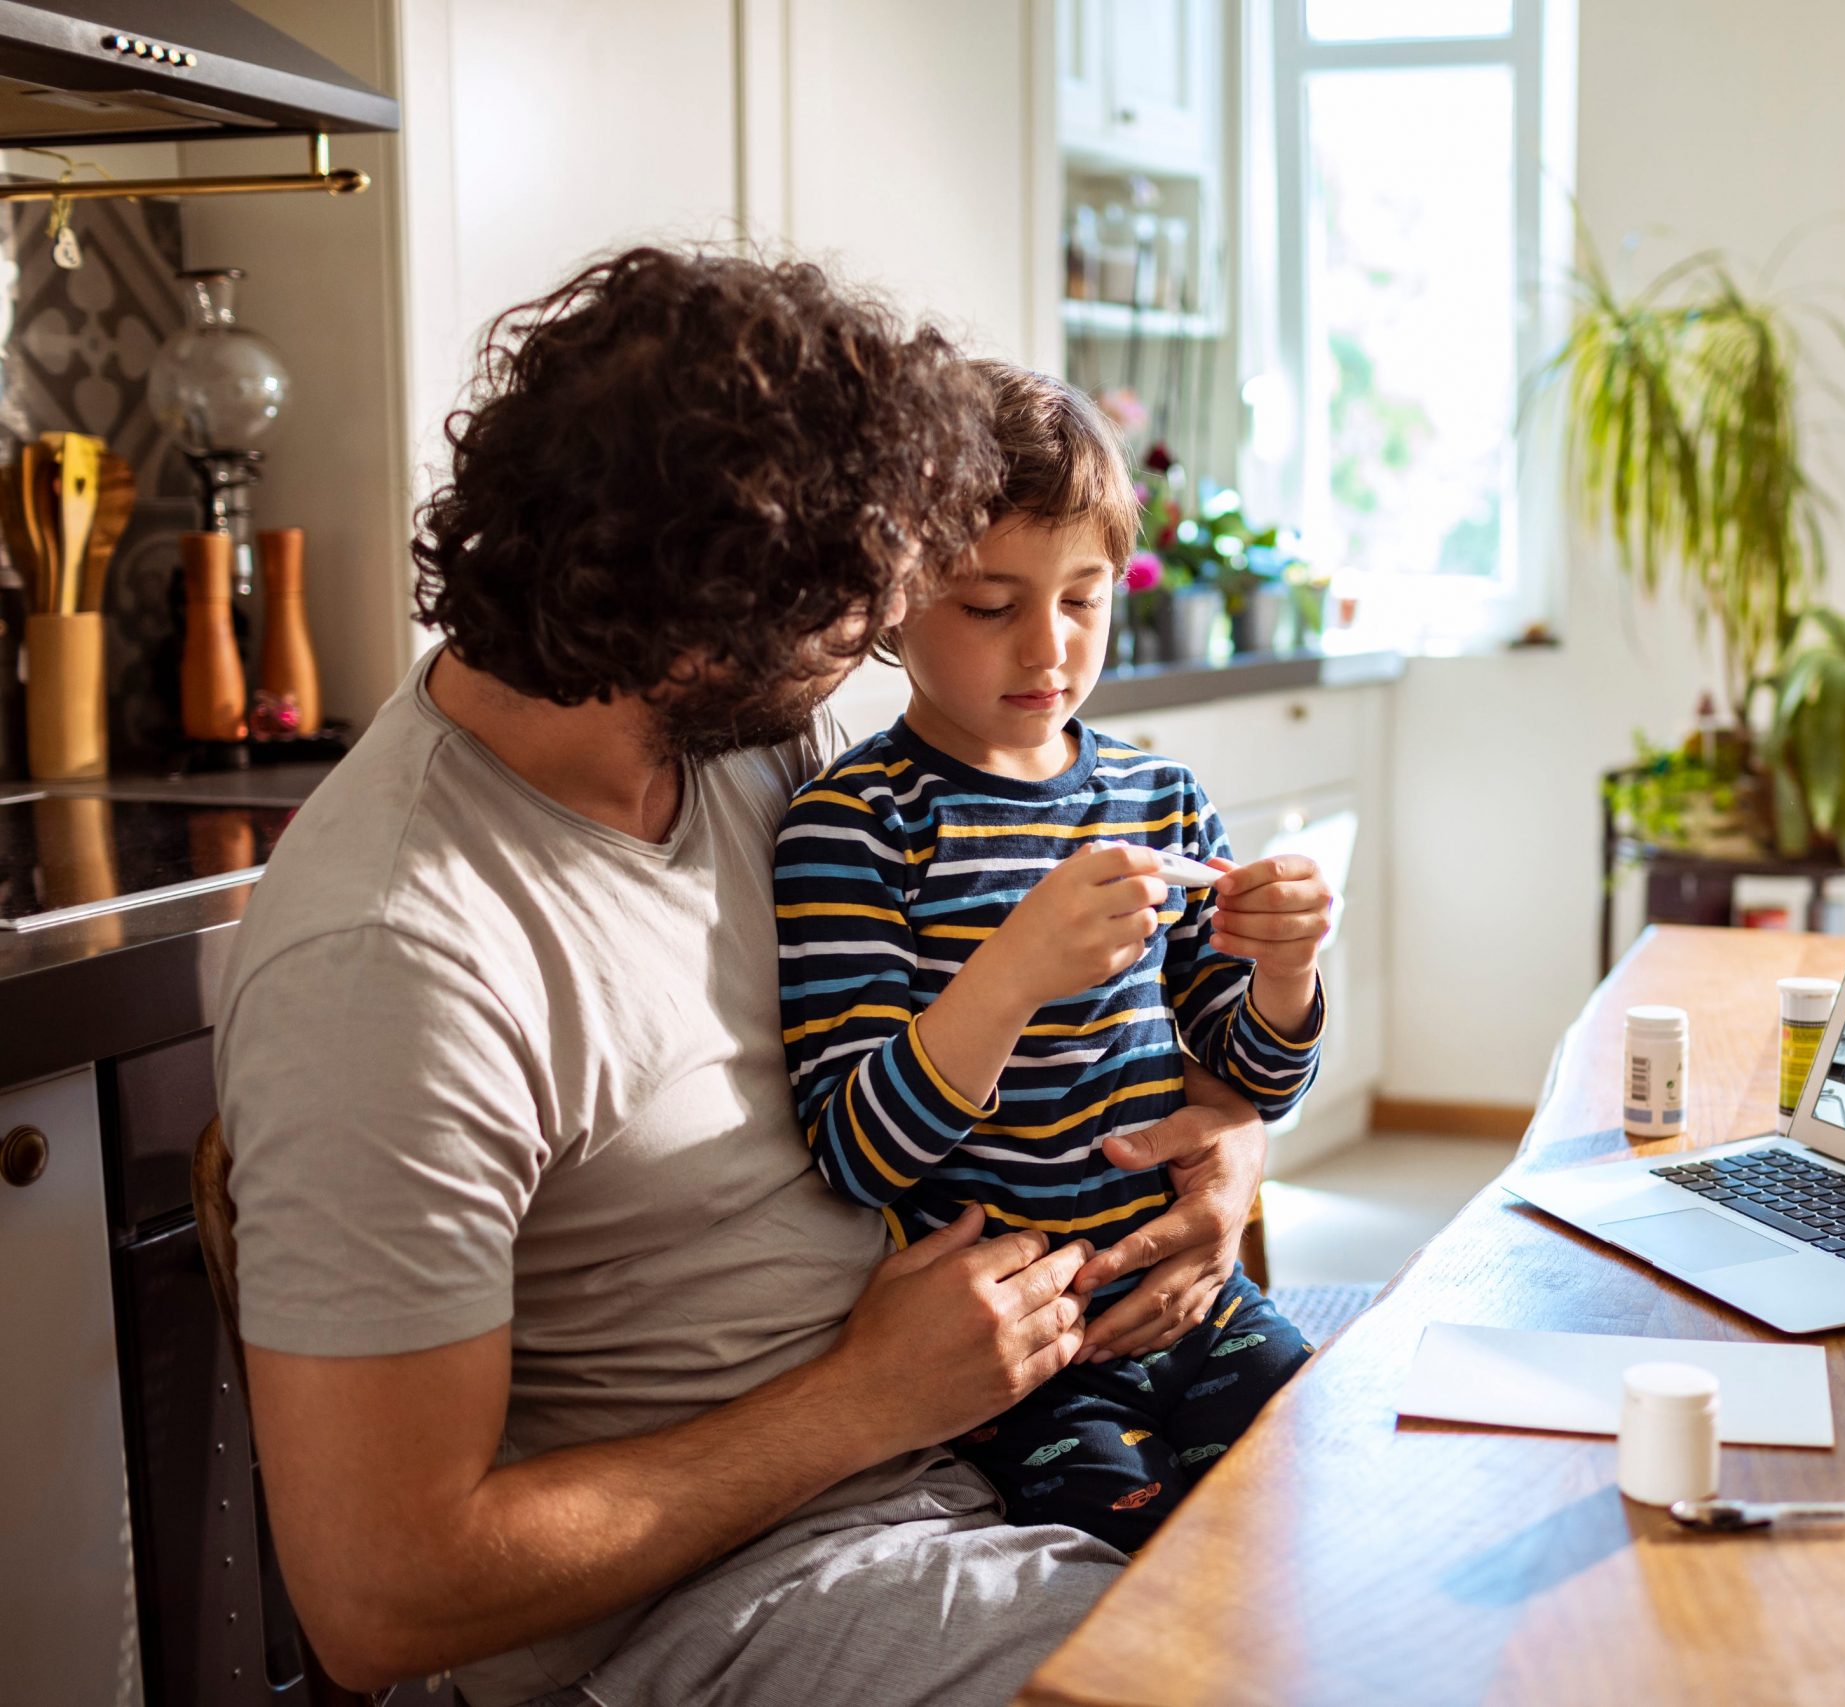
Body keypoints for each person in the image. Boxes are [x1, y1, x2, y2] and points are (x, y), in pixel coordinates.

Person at [213, 250, 1269, 1707]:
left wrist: (1227, 1136)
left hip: (978, 1437)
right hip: (729, 1595)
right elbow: (384, 1593)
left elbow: (1011, 1018)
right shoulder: (397, 959)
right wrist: (863, 1399)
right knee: (1247, 1663)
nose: (884, 633)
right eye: (867, 606)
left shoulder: (750, 746)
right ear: (705, 625)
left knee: (1379, 1551)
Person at [775, 361, 1331, 1553]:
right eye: (990, 604)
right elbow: (856, 1150)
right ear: (894, 600)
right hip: (1022, 1350)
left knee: (1317, 1491)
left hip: (1193, 1301)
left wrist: (1283, 975)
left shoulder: (1158, 797)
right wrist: (1014, 970)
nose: (1048, 647)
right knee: (1126, 1567)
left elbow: (1250, 1077)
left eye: (1083, 598)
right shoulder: (856, 827)